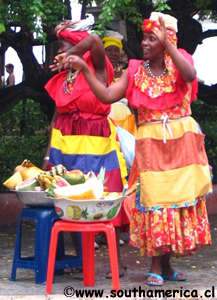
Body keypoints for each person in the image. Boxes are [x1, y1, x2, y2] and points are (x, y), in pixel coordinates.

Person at [60, 12, 213, 286]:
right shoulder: (135, 71)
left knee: (175, 203)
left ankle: (166, 266)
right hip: (151, 147)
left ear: (167, 41)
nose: (144, 43)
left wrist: (169, 46)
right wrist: (84, 69)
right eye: (144, 38)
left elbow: (190, 76)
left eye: (151, 39)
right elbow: (107, 96)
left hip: (181, 145)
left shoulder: (181, 63)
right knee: (154, 202)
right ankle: (155, 263)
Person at [43, 15, 129, 277]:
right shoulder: (63, 79)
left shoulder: (98, 68)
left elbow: (93, 40)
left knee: (103, 199)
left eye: (63, 46)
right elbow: (57, 118)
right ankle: (79, 260)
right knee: (68, 200)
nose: (59, 52)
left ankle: (117, 263)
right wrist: (48, 154)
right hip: (65, 144)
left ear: (76, 46)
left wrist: (74, 51)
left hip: (96, 144)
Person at [102, 30, 137, 136]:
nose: (113, 54)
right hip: (106, 117)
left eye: (116, 50)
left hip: (125, 118)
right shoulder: (98, 74)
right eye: (109, 50)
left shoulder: (126, 74)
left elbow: (131, 101)